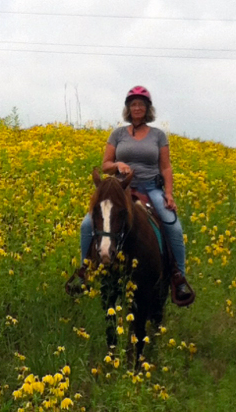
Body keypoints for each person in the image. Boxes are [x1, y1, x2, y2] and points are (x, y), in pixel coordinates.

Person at [66, 86, 195, 306]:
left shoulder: (158, 136)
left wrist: (169, 194)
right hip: (120, 189)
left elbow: (166, 168)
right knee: (87, 224)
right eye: (133, 104)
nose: (137, 108)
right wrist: (118, 164)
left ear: (147, 109)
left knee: (173, 226)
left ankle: (177, 277)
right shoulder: (117, 134)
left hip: (150, 188)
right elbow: (106, 165)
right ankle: (85, 270)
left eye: (141, 105)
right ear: (128, 109)